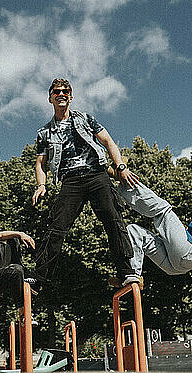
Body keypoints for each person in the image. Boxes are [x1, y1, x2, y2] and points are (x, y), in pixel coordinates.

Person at [32, 78, 140, 287]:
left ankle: (127, 271)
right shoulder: (44, 132)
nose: (61, 94)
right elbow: (40, 164)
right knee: (56, 226)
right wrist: (41, 185)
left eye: (65, 91)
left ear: (71, 97)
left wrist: (120, 167)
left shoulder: (86, 119)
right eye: (57, 92)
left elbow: (108, 142)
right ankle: (39, 277)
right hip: (70, 181)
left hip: (96, 174)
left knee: (113, 219)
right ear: (50, 98)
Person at [114, 181, 192, 300]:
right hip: (174, 266)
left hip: (189, 256)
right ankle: (131, 276)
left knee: (164, 210)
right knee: (134, 231)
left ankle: (125, 184)